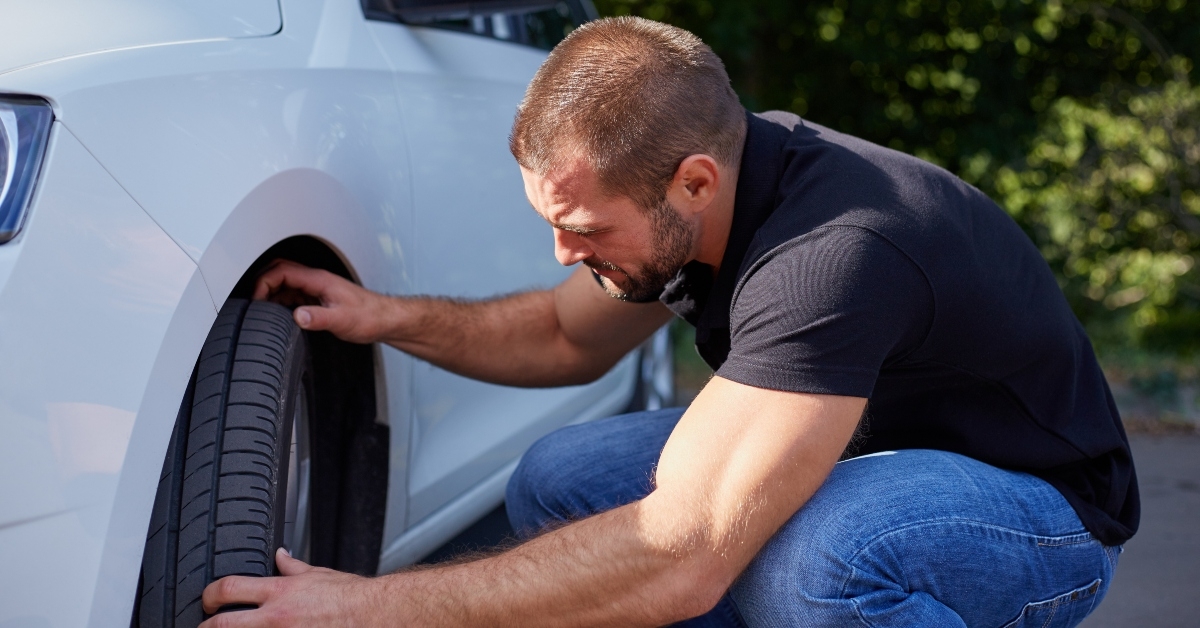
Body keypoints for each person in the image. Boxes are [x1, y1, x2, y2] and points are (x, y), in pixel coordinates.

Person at [199, 16, 1138, 627]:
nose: (566, 254)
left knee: (824, 566)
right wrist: (386, 314)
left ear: (692, 181)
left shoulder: (835, 252)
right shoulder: (705, 195)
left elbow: (676, 556)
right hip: (871, 448)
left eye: (582, 228)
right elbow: (565, 336)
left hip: (1037, 512)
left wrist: (366, 610)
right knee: (562, 478)